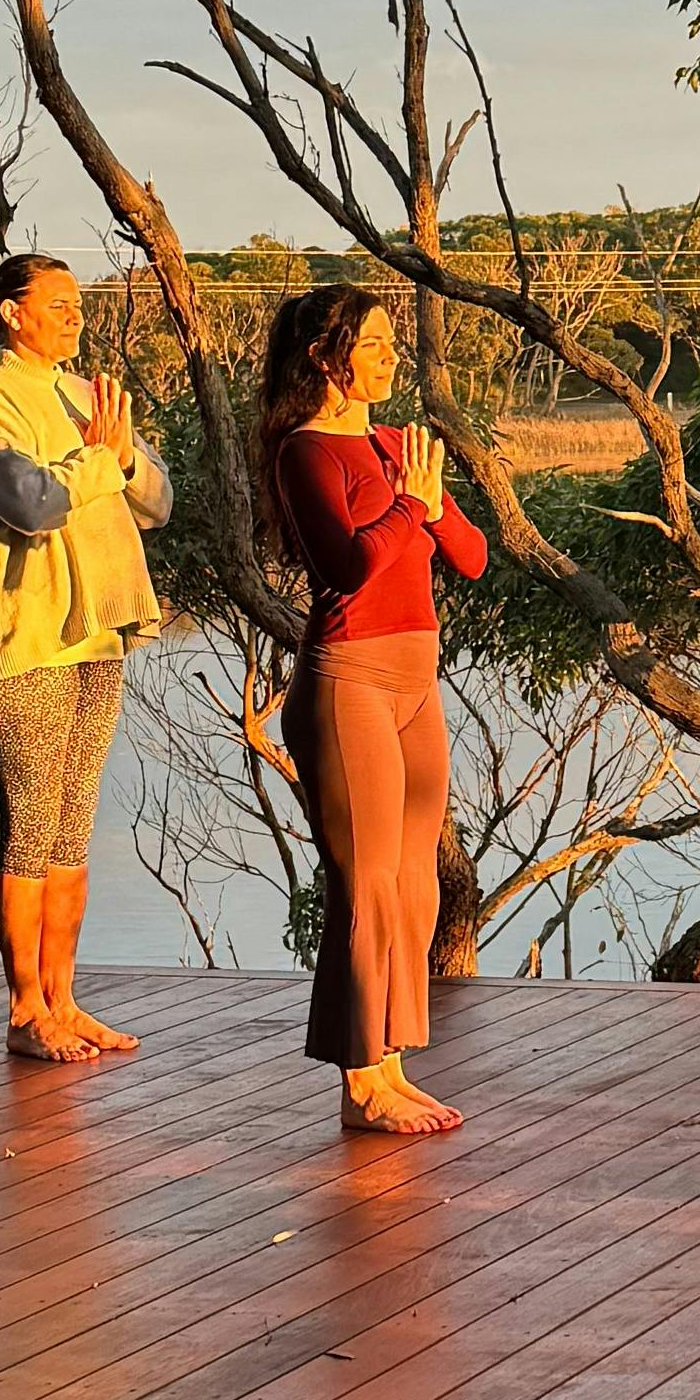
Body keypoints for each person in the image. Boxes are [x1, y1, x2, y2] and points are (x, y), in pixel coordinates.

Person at [263, 279, 487, 1141]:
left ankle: (390, 1062)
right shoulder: (305, 452)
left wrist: (427, 502)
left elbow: (469, 557)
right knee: (363, 887)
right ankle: (360, 1084)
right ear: (327, 357)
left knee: (414, 887)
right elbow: (347, 567)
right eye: (376, 343)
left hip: (414, 681)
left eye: (394, 341)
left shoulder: (399, 446)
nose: (394, 356)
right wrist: (408, 507)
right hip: (347, 680)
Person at [0, 252, 170, 1067]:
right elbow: (31, 505)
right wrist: (100, 459)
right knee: (33, 823)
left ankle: (65, 1002)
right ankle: (24, 1010)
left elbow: (156, 500)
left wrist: (124, 456)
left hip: (97, 630)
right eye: (60, 302)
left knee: (74, 823)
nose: (76, 315)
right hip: (24, 636)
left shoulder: (85, 396)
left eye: (80, 303)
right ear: (11, 311)